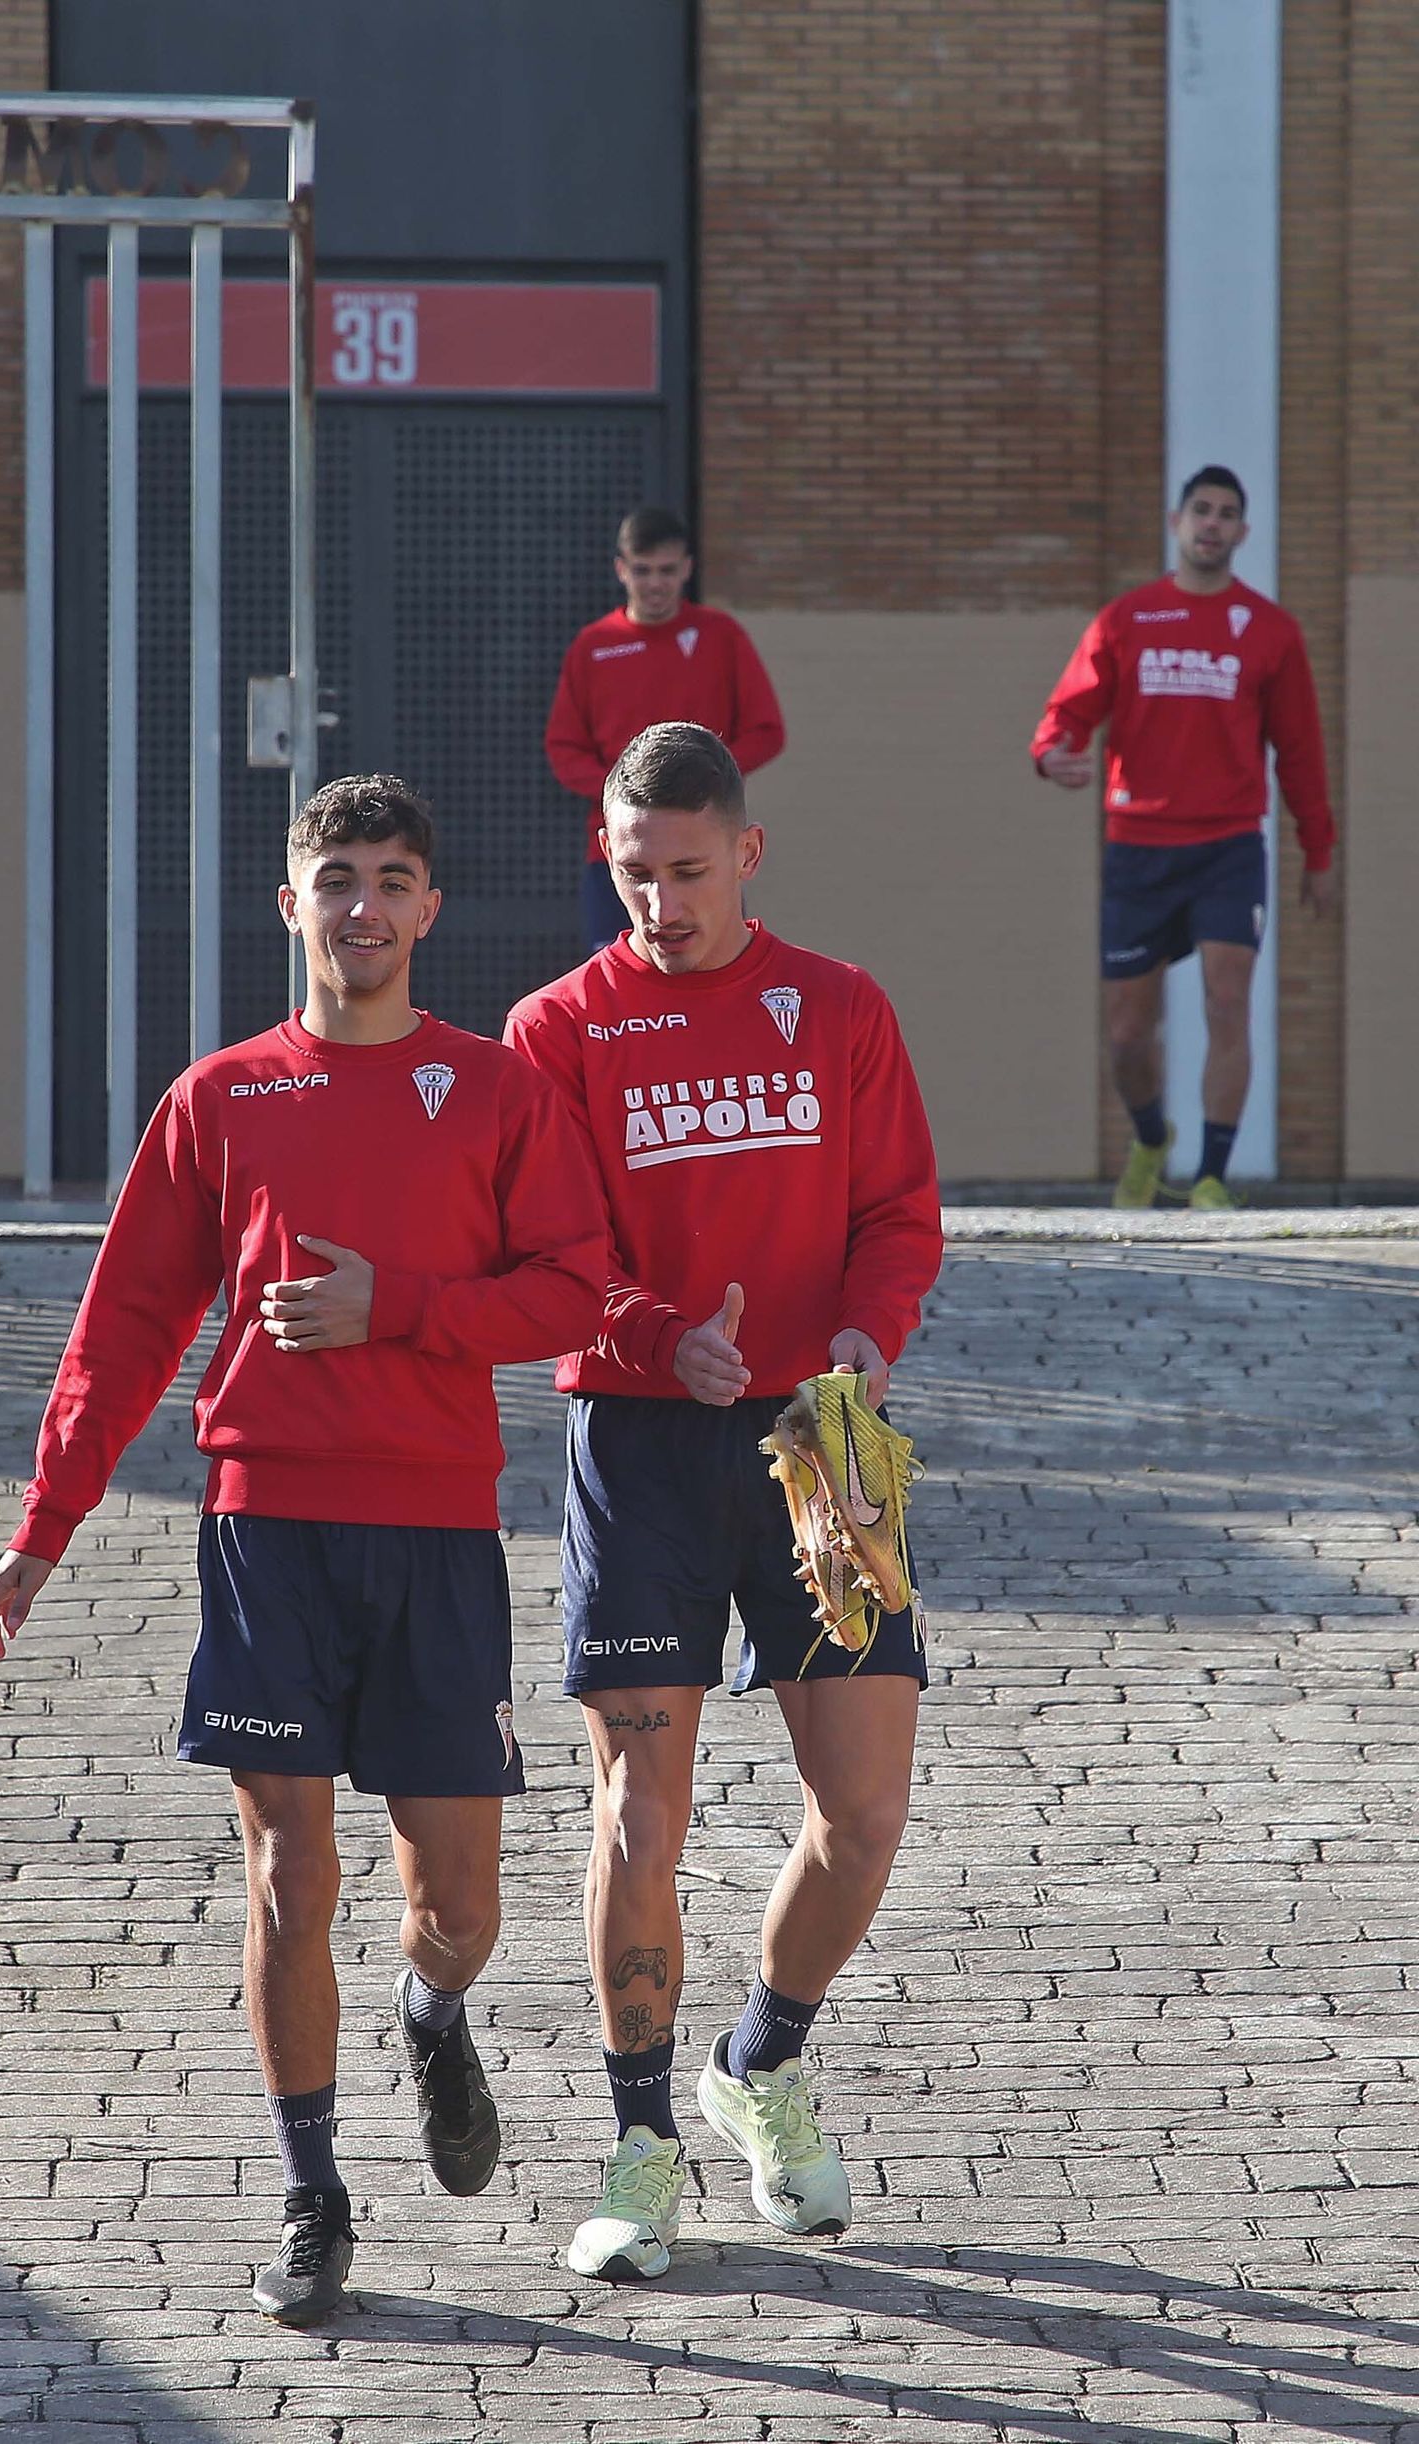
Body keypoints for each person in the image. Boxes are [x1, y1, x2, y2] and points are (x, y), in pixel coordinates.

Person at [0, 775, 606, 2326]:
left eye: (392, 878)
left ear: (428, 909)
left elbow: (576, 1290)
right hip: (267, 1531)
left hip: (437, 1534)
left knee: (462, 1905)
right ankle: (312, 2196)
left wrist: (399, 1308)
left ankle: (431, 2009)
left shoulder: (497, 1092)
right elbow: (125, 1328)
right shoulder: (221, 1099)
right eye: (337, 878)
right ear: (291, 903)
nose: (363, 906)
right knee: (288, 1876)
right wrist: (46, 1524)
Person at [504, 721, 942, 2281]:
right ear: (606, 858)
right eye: (637, 872)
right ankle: (640, 2147)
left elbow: (899, 1212)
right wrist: (653, 1339)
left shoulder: (842, 1008)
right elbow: (546, 1261)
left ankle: (760, 2061)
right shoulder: (556, 1029)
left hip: (824, 1438)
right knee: (643, 1816)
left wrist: (867, 1334)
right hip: (641, 1447)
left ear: (747, 854)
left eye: (690, 871)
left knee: (866, 1812)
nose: (663, 903)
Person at [1031, 463, 1337, 1210]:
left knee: (1228, 1002)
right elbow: (1069, 710)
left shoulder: (1270, 631)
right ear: (1177, 522)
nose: (1212, 523)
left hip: (1228, 846)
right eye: (1201, 509)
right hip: (1139, 847)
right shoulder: (1128, 619)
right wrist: (1051, 752)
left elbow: (1300, 749)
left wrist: (1319, 850)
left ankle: (1212, 1178)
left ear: (1243, 532)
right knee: (1128, 1034)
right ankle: (1150, 1140)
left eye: (1227, 513)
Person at [545, 505, 786, 954]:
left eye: (667, 570)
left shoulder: (721, 636)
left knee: (713, 964)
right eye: (643, 570)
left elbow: (766, 731)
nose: (655, 582)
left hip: (704, 845)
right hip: (621, 850)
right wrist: (632, 794)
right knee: (616, 974)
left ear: (687, 569)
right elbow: (563, 749)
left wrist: (701, 780)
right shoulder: (594, 646)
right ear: (621, 569)